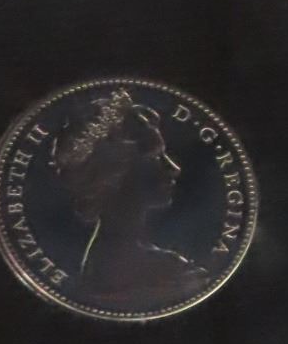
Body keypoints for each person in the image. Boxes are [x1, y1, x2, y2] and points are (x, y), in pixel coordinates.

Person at [52, 88, 205, 297]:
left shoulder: (129, 257)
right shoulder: (151, 266)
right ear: (115, 173)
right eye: (155, 157)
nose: (174, 168)